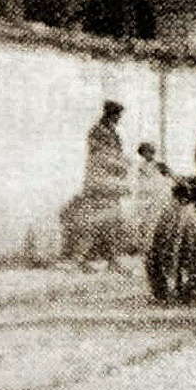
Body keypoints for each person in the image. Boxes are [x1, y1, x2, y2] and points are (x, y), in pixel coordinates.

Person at [60, 100, 133, 272]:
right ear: (110, 114)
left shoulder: (111, 132)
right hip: (99, 184)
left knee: (113, 223)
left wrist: (121, 164)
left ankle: (112, 260)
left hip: (110, 184)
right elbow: (102, 157)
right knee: (94, 224)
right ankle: (80, 260)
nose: (119, 119)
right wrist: (122, 164)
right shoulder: (98, 132)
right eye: (117, 115)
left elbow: (114, 156)